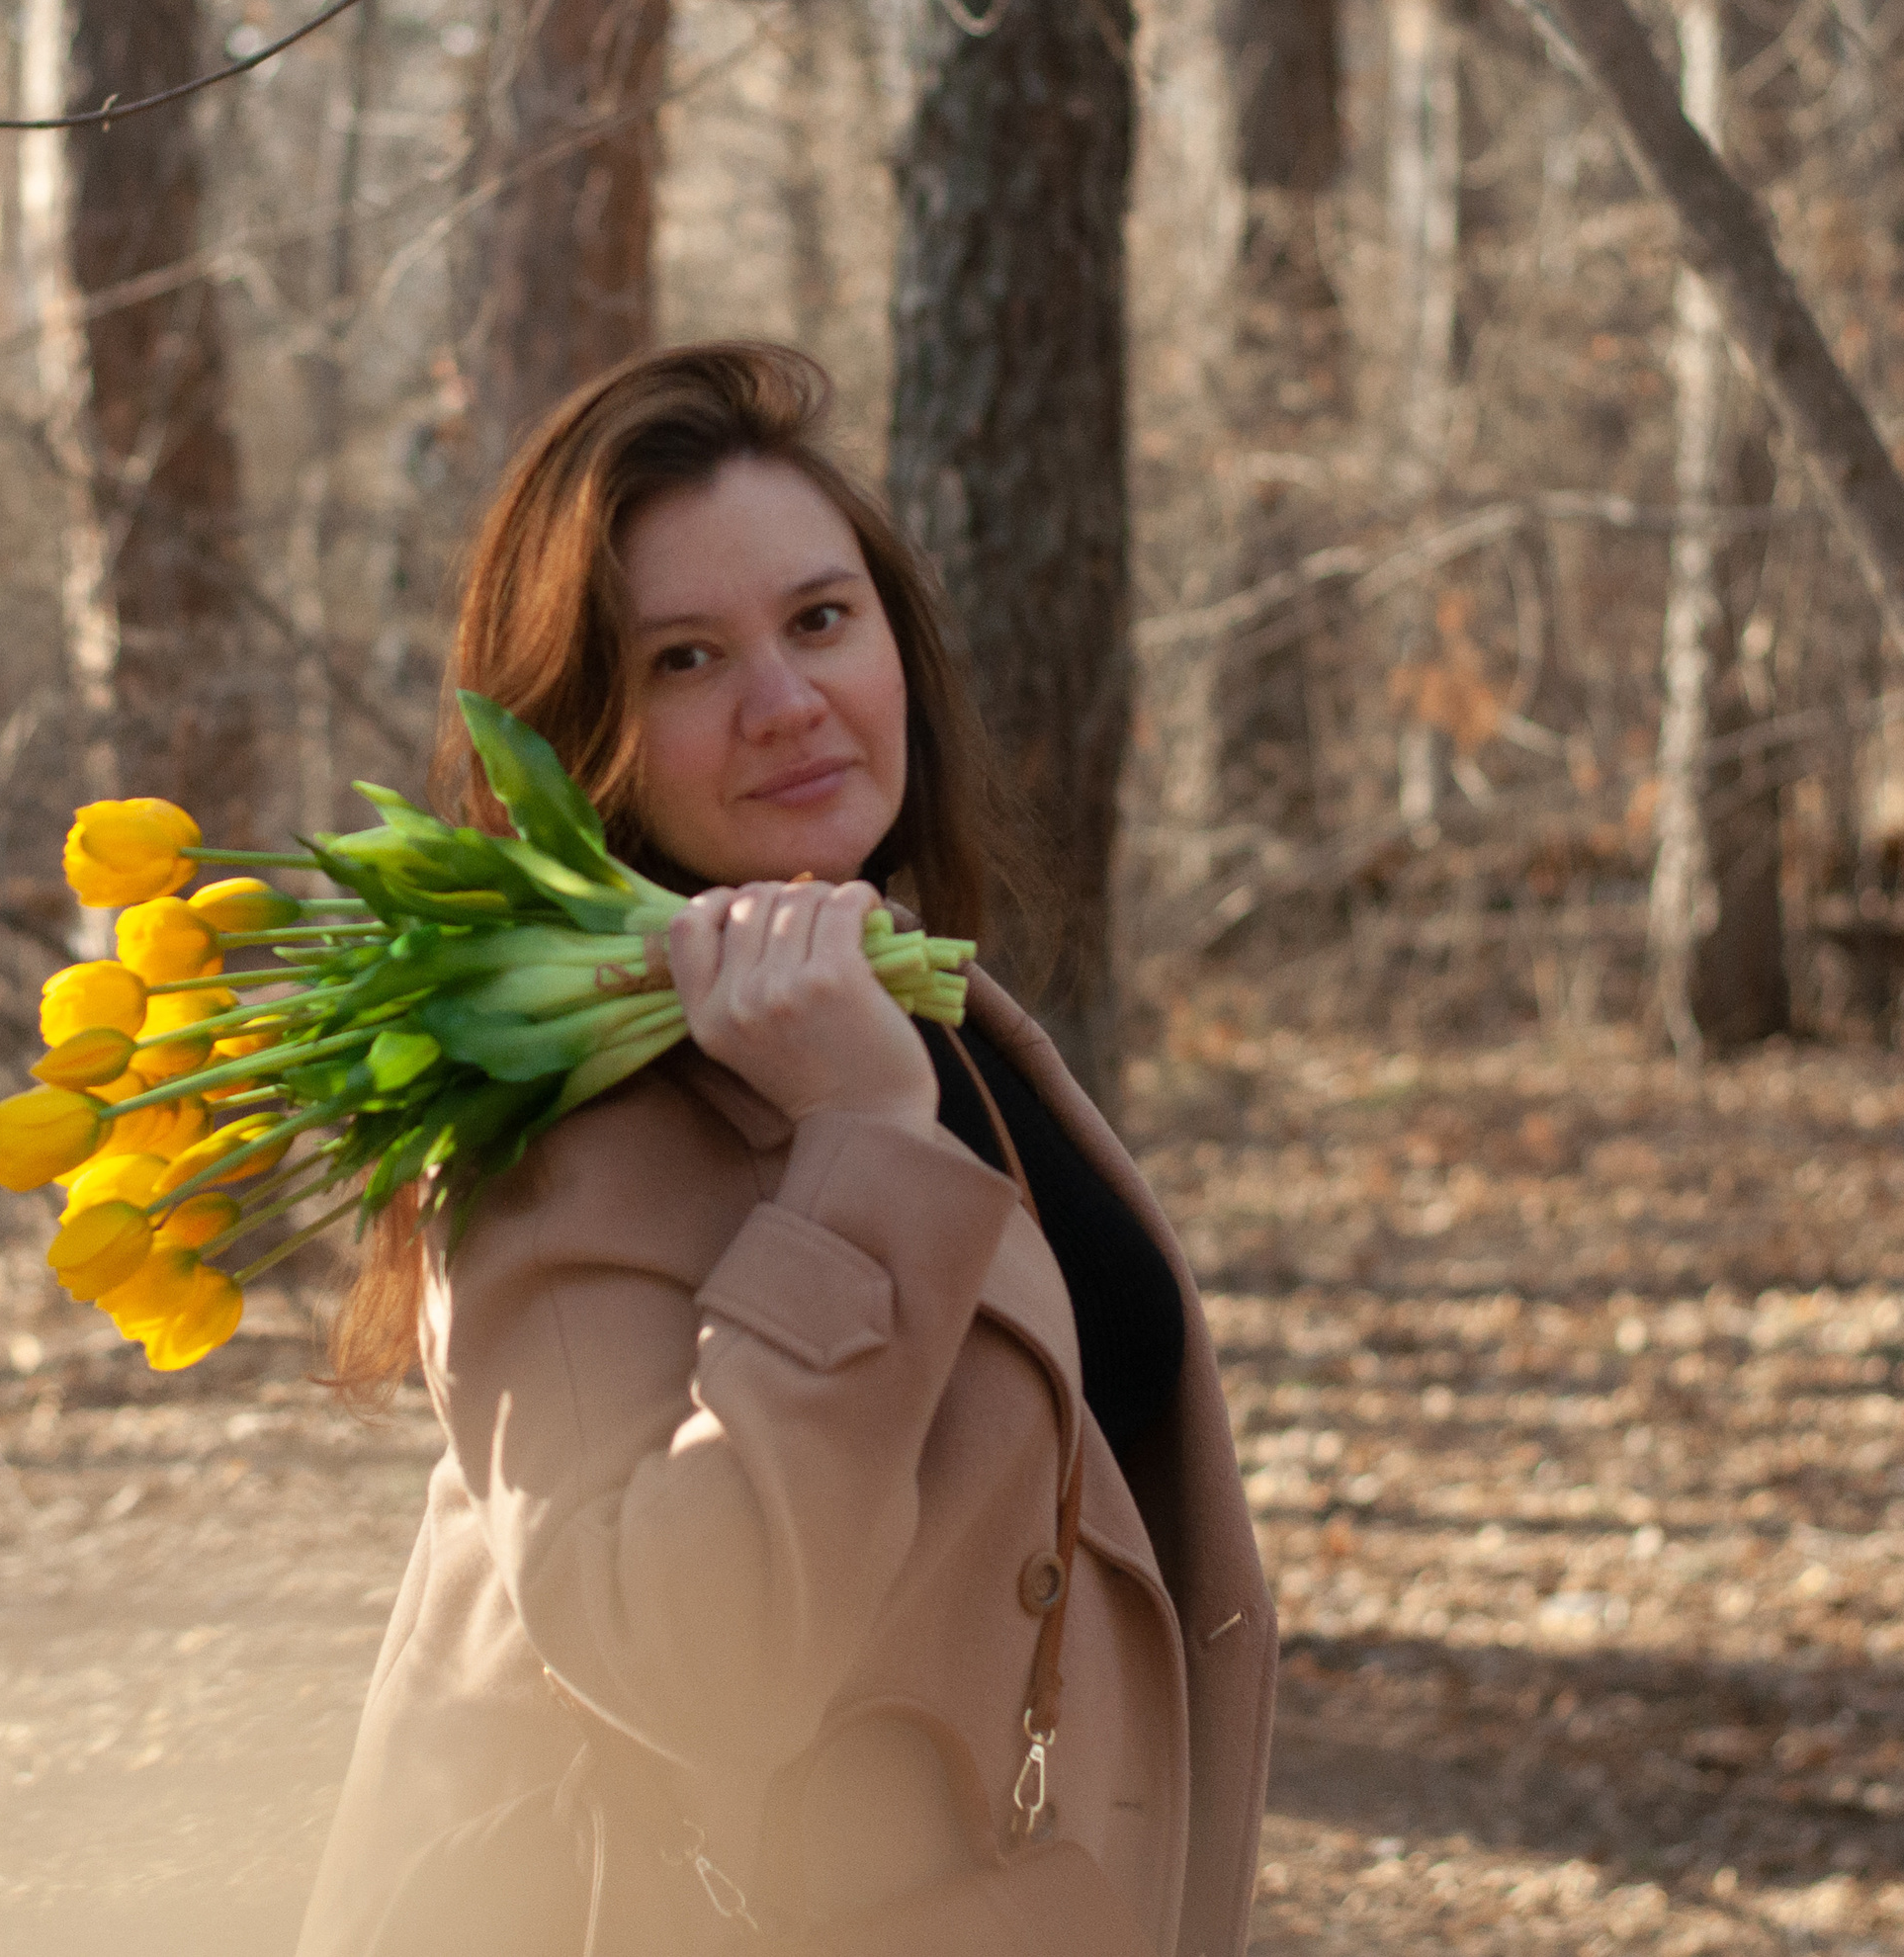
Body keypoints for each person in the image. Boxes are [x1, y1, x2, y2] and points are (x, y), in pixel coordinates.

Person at [295, 342, 1274, 1957]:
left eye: (821, 620)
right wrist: (860, 1145)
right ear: (576, 739)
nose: (786, 701)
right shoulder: (562, 1138)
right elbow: (689, 1667)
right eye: (684, 660)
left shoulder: (914, 1003)